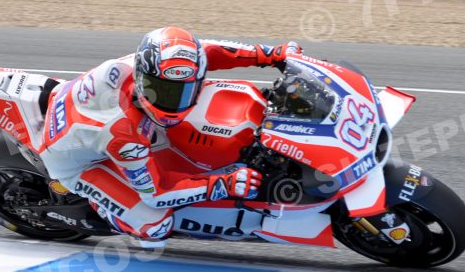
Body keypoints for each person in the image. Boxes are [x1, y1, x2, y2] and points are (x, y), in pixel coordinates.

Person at [39, 26, 301, 246]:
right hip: (81, 164)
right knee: (155, 225)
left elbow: (208, 51)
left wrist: (271, 54)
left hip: (87, 116)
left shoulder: (151, 62)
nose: (174, 103)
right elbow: (156, 193)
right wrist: (223, 184)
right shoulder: (125, 134)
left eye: (183, 92)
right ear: (142, 80)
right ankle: (103, 208)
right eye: (163, 92)